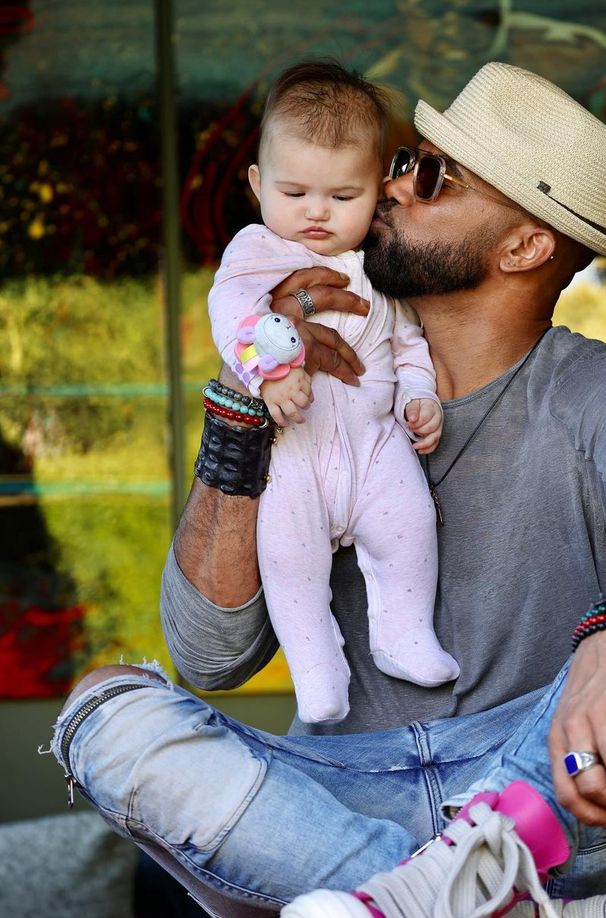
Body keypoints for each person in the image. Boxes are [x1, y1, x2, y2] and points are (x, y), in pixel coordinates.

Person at [50, 62, 606, 918]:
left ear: (522, 245)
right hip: (343, 810)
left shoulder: (597, 395)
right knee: (104, 712)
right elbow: (211, 653)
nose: (390, 184)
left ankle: (434, 907)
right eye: (403, 162)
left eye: (433, 177)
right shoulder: (308, 369)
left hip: (550, 813)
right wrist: (247, 396)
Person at [207, 60, 458, 723]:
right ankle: (317, 669)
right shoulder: (258, 251)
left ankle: (404, 636)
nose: (316, 213)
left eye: (343, 198)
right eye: (295, 193)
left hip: (375, 443)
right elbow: (232, 313)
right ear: (258, 184)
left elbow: (408, 342)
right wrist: (270, 368)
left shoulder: (383, 263)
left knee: (410, 525)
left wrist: (418, 396)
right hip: (295, 448)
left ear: (376, 192)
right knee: (290, 562)